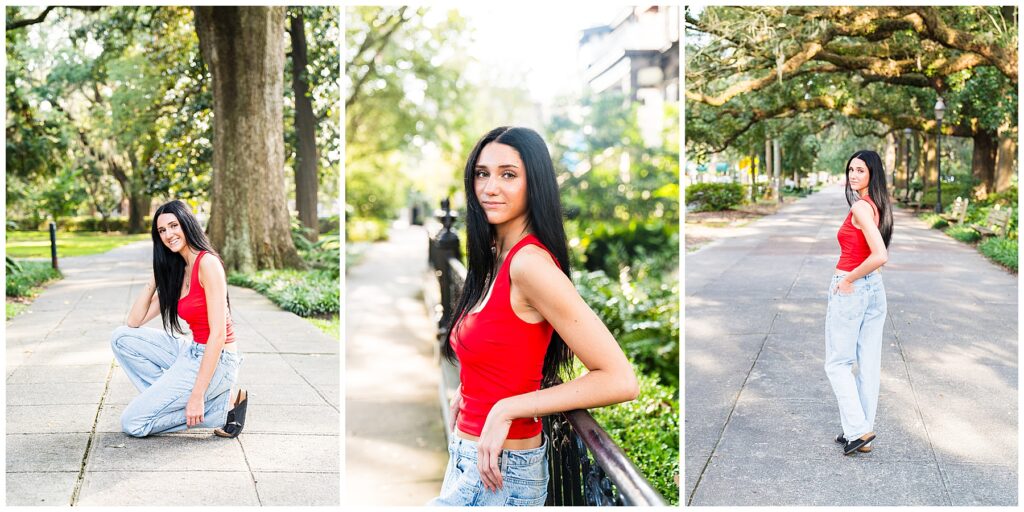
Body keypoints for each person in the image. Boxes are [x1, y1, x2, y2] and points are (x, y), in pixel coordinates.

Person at [429, 127, 640, 506]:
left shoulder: (529, 265)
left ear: (534, 184)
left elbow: (620, 380)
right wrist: (471, 390)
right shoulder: (497, 258)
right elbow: (505, 348)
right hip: (471, 461)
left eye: (508, 174)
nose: (490, 187)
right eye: (482, 173)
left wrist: (508, 407)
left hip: (501, 475)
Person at [110, 200, 248, 438]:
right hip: (191, 351)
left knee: (133, 423)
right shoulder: (178, 269)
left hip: (219, 360)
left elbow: (218, 335)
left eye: (173, 225)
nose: (168, 234)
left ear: (186, 223)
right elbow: (134, 322)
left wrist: (196, 395)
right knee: (120, 337)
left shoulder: (208, 263)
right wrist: (154, 278)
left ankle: (215, 413)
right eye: (162, 230)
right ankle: (176, 396)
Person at [824, 150, 893, 455]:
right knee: (866, 363)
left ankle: (857, 430)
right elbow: (877, 260)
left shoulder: (862, 208)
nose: (853, 175)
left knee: (837, 363)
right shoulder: (876, 206)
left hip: (853, 287)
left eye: (860, 171)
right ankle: (862, 430)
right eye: (850, 169)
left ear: (872, 175)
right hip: (873, 288)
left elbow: (880, 256)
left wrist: (848, 280)